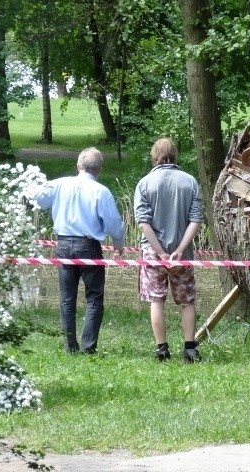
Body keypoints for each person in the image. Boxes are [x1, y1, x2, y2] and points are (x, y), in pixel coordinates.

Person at [33, 147, 125, 354]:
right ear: (99, 169)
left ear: (78, 166)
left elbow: (38, 199)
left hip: (63, 245)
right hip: (88, 247)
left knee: (67, 297)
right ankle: (88, 347)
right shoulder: (101, 191)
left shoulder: (60, 184)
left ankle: (69, 346)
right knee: (93, 297)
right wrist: (119, 242)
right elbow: (113, 222)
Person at [134, 138, 204, 363]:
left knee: (157, 301)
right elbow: (196, 219)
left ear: (154, 157)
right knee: (187, 301)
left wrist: (160, 252)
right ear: (175, 155)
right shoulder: (190, 182)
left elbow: (143, 222)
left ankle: (162, 349)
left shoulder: (144, 183)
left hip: (153, 254)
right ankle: (190, 349)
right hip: (182, 255)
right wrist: (180, 249)